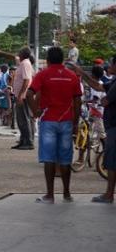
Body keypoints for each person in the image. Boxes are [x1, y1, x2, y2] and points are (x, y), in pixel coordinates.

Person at [26, 47, 82, 203]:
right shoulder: (72, 76)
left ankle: (50, 195)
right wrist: (76, 122)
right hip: (67, 121)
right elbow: (78, 101)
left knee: (49, 158)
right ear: (63, 59)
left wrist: (35, 110)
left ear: (48, 60)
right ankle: (67, 194)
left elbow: (29, 93)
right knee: (65, 159)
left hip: (48, 120)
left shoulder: (43, 74)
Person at [72, 57, 116, 203]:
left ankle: (109, 194)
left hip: (114, 126)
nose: (108, 66)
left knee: (112, 161)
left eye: (111, 64)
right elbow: (98, 86)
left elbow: (105, 100)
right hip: (110, 125)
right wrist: (81, 72)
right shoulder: (113, 82)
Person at [12, 47, 35, 150]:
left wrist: (21, 94)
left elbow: (26, 80)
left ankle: (28, 142)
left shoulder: (25, 63)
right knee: (20, 120)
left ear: (22, 54)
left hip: (24, 96)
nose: (18, 54)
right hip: (20, 95)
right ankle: (23, 141)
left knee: (24, 119)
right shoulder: (23, 63)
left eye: (19, 52)